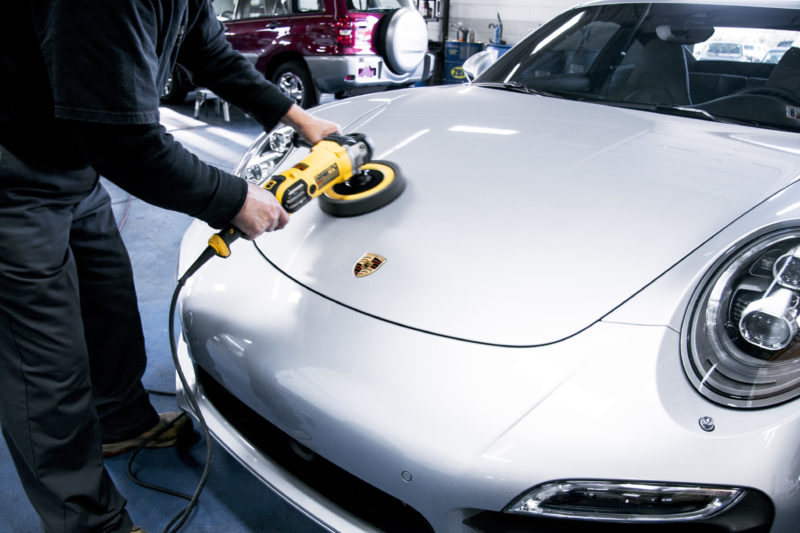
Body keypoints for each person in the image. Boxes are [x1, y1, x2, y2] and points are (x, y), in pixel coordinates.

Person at [0, 1, 339, 532]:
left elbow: (207, 50)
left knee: (107, 304)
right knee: (44, 365)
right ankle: (86, 524)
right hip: (12, 175)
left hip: (70, 162)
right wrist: (231, 199)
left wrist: (295, 117)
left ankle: (119, 423)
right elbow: (124, 141)